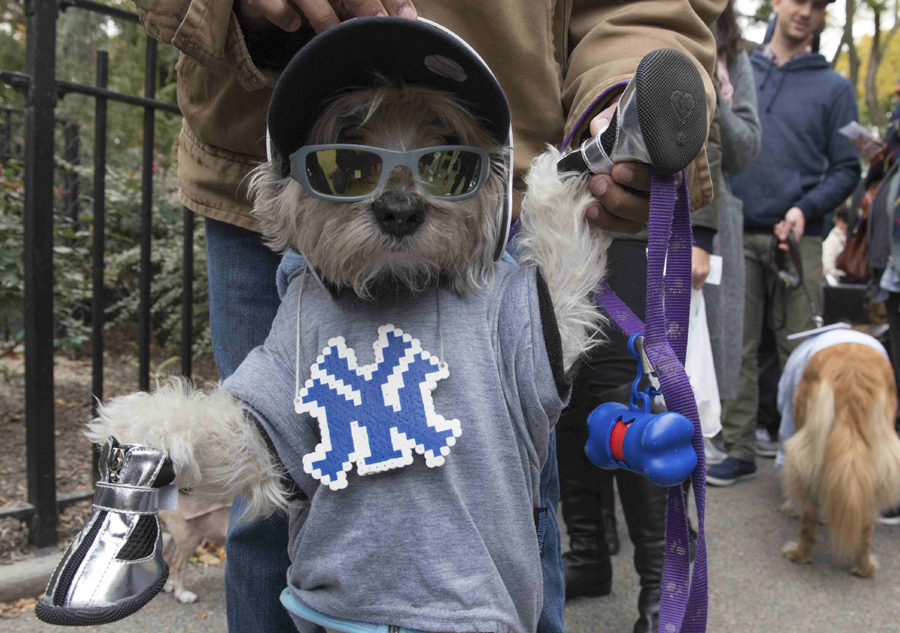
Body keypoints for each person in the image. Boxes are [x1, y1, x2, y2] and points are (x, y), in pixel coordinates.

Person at [131, 1, 724, 631]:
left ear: (482, 176)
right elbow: (251, 438)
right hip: (337, 613)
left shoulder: (502, 310)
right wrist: (169, 437)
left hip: (483, 612)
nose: (399, 202)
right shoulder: (303, 320)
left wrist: (611, 126)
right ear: (286, 184)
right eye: (346, 164)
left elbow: (640, 10)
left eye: (445, 162)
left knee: (527, 495)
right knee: (265, 523)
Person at [707, 0, 861, 487]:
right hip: (735, 231)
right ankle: (738, 448)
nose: (806, 11)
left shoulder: (835, 88)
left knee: (804, 352)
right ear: (777, 2)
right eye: (799, 0)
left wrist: (804, 209)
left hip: (799, 237)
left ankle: (808, 459)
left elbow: (848, 169)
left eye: (818, 5)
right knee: (736, 346)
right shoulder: (741, 70)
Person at [697, 1, 762, 465]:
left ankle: (707, 437)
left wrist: (711, 95)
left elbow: (744, 151)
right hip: (642, 208)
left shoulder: (733, 57)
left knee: (715, 341)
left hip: (715, 221)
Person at [822, 205, 850, 283]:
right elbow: (827, 267)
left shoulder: (848, 238)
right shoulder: (832, 240)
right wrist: (842, 275)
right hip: (836, 281)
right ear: (840, 221)